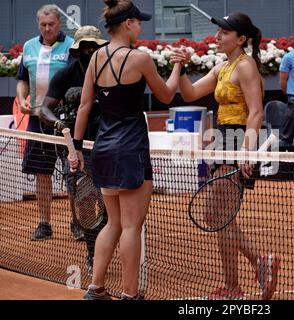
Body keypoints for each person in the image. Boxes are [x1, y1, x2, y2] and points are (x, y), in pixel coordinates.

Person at [68, 0, 182, 300]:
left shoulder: (95, 59)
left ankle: (96, 288)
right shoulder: (140, 59)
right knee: (132, 226)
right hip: (131, 148)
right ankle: (130, 295)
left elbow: (84, 105)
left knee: (114, 222)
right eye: (139, 22)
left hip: (104, 147)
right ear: (128, 24)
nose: (141, 27)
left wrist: (76, 149)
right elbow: (167, 95)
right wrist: (179, 66)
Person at [171, 12, 280, 300]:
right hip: (223, 141)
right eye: (218, 32)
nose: (217, 37)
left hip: (238, 141)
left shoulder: (246, 68)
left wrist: (247, 153)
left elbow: (256, 111)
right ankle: (259, 262)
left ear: (241, 39)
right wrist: (181, 67)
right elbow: (191, 93)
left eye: (224, 33)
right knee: (217, 215)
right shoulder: (223, 68)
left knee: (219, 216)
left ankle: (233, 287)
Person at [38, 25, 109, 275]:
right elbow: (44, 108)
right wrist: (57, 123)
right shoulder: (66, 74)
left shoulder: (111, 72)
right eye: (85, 47)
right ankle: (92, 253)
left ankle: (103, 246)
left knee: (110, 207)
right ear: (77, 50)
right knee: (86, 202)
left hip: (108, 146)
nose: (91, 50)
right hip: (76, 149)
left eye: (95, 46)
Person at [16, 4, 74, 241]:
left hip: (65, 121)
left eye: (51, 24)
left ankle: (77, 222)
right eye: (43, 25)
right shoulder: (29, 46)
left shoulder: (72, 46)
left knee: (74, 172)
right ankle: (44, 223)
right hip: (36, 120)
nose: (47, 28)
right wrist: (21, 99)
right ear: (38, 24)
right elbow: (21, 79)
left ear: (59, 24)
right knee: (42, 173)